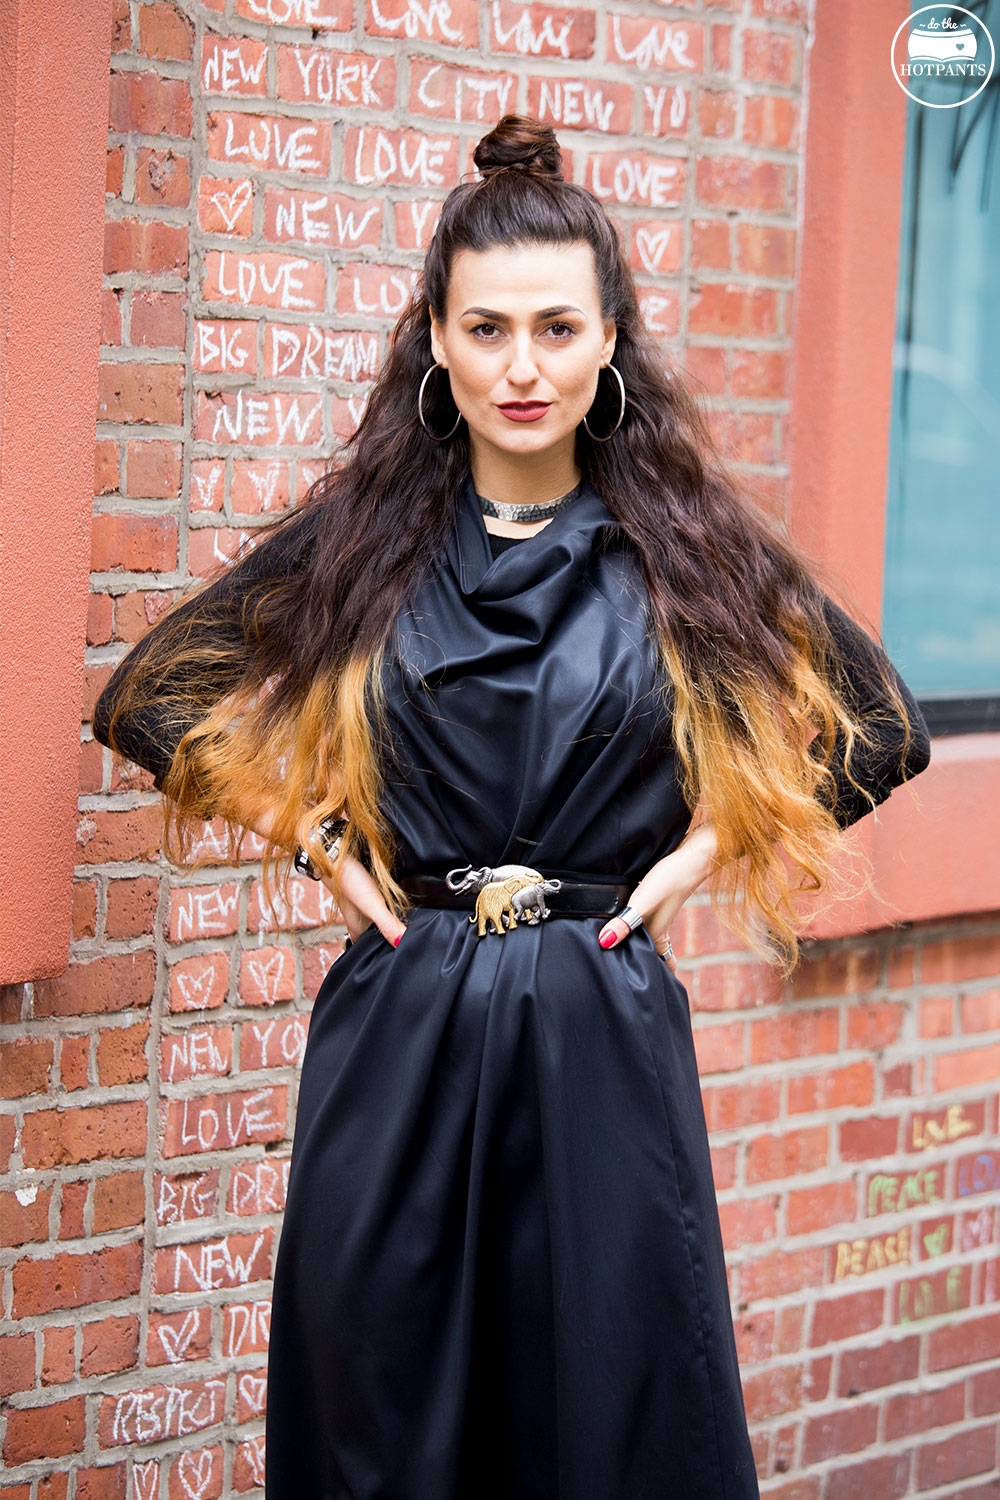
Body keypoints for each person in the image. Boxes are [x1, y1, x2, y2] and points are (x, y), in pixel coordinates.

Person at [93, 115, 930, 1500]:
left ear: (612, 341)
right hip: (398, 1030)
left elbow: (882, 721)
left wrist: (714, 845)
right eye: (486, 330)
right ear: (435, 337)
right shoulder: (362, 541)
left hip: (599, 1031)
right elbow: (148, 695)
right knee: (379, 1409)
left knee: (608, 1416)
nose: (522, 368)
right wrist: (306, 835)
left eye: (555, 328)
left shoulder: (688, 549)